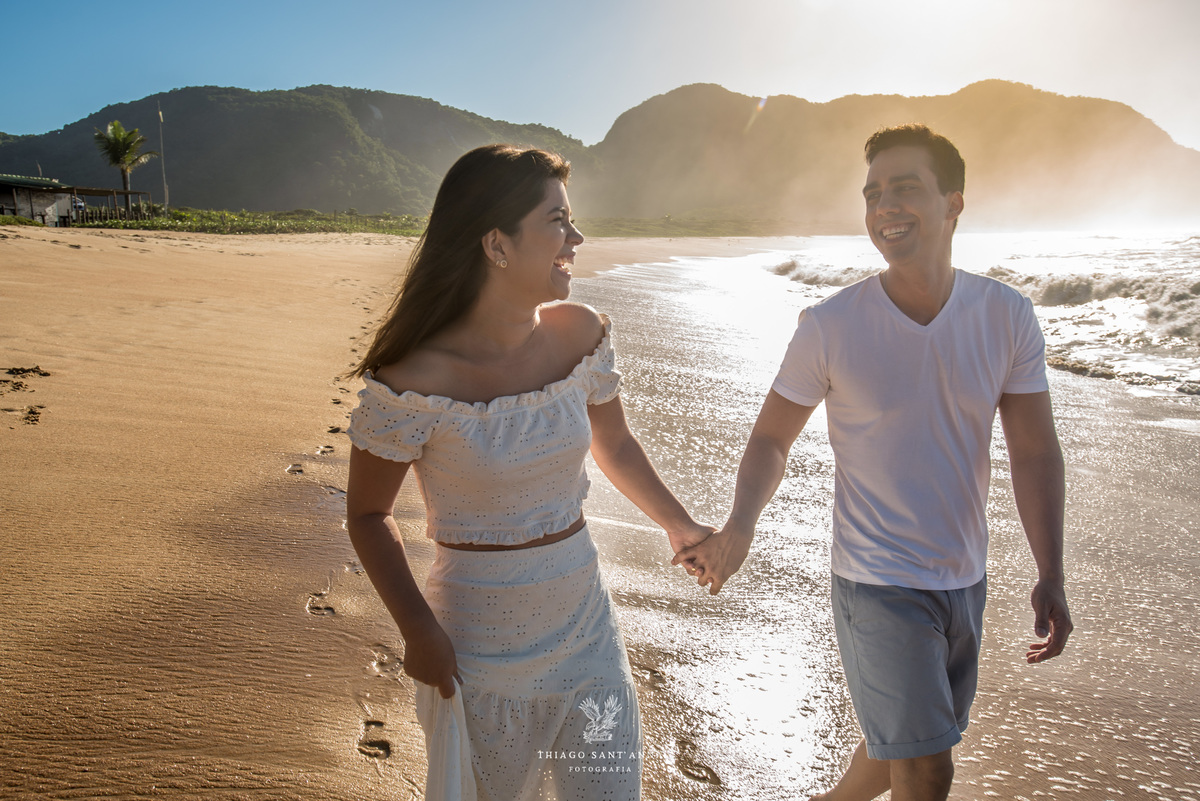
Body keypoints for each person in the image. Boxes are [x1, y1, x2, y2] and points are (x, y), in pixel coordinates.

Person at [674, 124, 1073, 801]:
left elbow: (1034, 451)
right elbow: (772, 436)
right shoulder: (831, 324)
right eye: (873, 194)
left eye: (905, 188)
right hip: (875, 579)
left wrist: (1051, 569)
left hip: (962, 577)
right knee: (928, 763)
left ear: (954, 203)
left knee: (905, 742)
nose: (885, 206)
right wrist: (741, 523)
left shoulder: (1006, 315)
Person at [345, 144, 713, 801]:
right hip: (478, 653)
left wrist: (679, 525)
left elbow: (617, 443)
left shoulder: (580, 334)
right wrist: (417, 629)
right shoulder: (412, 381)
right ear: (497, 244)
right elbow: (369, 516)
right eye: (557, 222)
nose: (577, 238)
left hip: (586, 632)